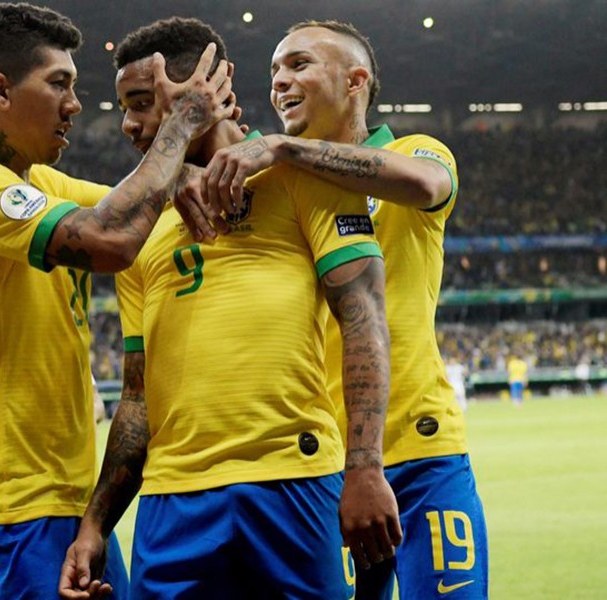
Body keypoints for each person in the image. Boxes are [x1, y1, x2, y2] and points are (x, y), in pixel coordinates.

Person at [59, 17, 397, 599]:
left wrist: (365, 465)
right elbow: (137, 400)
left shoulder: (301, 175)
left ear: (208, 92)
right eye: (124, 106)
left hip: (294, 481)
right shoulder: (140, 232)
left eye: (143, 102)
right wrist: (95, 524)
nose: (128, 124)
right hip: (172, 500)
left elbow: (363, 313)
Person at [0, 3, 234, 598]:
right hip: (9, 499)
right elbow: (114, 238)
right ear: (1, 90)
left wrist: (207, 168)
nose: (75, 103)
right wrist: (179, 125)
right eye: (59, 84)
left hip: (62, 493)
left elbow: (147, 203)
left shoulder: (41, 183)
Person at [201, 19, 489, 600]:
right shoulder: (273, 187)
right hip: (321, 468)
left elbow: (426, 184)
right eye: (275, 71)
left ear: (356, 80)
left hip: (421, 453)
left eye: (299, 64)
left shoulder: (414, 151)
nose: (280, 80)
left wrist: (284, 145)